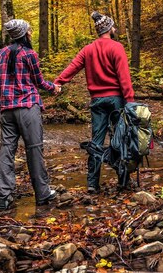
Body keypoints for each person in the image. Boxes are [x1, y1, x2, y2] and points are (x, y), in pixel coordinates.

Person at [54, 11, 134, 193]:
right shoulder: (116, 47)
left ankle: (92, 184)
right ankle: (123, 181)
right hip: (116, 100)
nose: (115, 28)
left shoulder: (87, 49)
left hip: (97, 101)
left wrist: (59, 81)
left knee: (96, 142)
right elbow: (124, 78)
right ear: (108, 28)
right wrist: (130, 101)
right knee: (120, 139)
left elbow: (73, 67)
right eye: (113, 26)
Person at [0, 19, 59, 210]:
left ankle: (5, 197)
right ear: (24, 34)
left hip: (7, 110)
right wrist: (53, 88)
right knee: (34, 149)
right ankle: (42, 194)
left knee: (6, 150)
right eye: (29, 30)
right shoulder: (30, 54)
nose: (31, 32)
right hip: (28, 108)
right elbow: (38, 81)